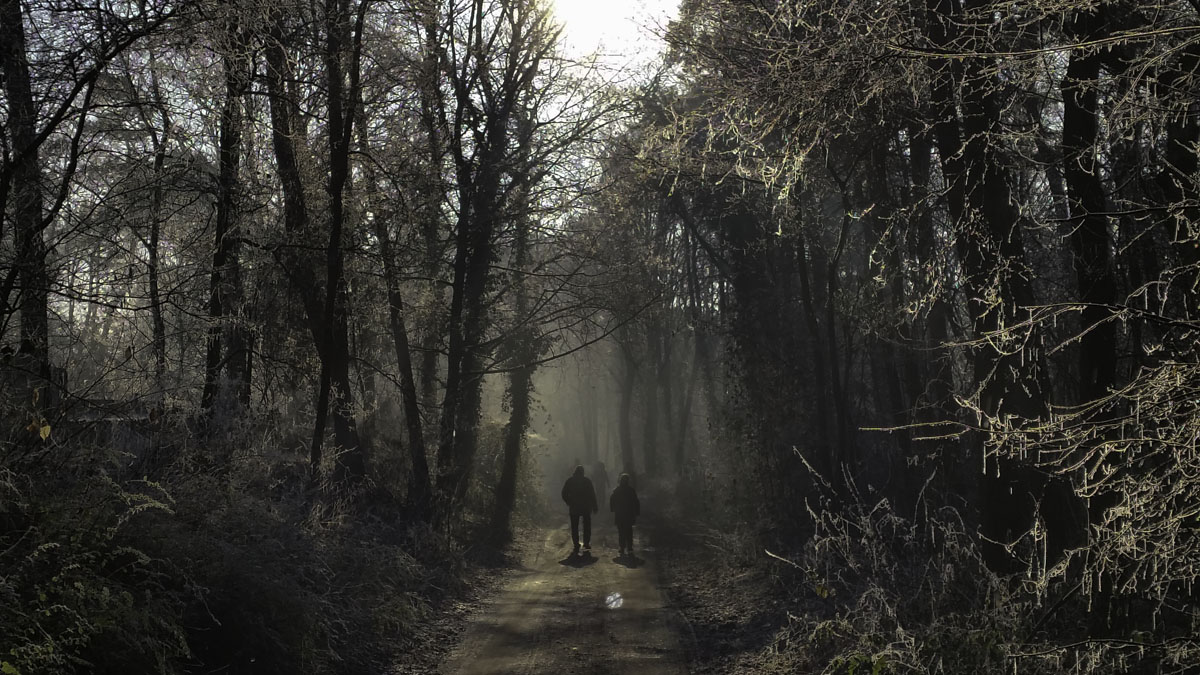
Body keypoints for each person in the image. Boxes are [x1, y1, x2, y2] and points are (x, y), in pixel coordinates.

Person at [561, 465, 598, 554]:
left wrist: (568, 501)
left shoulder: (570, 481)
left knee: (574, 526)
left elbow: (564, 493)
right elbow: (592, 494)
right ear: (583, 472)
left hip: (574, 507)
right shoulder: (587, 481)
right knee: (587, 525)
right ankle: (586, 543)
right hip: (586, 507)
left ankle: (576, 544)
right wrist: (594, 506)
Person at [609, 473, 640, 557]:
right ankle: (629, 547)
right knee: (629, 531)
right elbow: (636, 502)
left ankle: (622, 547)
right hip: (629, 514)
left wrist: (613, 509)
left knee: (621, 531)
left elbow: (612, 500)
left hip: (620, 514)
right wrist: (637, 512)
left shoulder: (617, 490)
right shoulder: (631, 490)